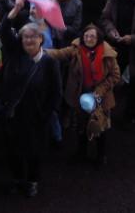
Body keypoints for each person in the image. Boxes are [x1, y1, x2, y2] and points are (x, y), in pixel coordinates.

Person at [0, 0, 62, 197]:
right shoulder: (15, 54)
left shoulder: (49, 62)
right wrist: (15, 10)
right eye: (25, 37)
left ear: (41, 39)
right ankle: (17, 179)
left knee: (35, 151)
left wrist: (45, 114)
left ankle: (32, 181)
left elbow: (56, 92)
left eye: (33, 37)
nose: (29, 40)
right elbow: (3, 30)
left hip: (36, 116)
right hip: (14, 113)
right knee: (13, 149)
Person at [45, 22, 120, 164]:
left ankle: (100, 156)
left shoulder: (108, 54)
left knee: (100, 126)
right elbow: (60, 53)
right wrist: (40, 51)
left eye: (92, 36)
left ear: (98, 38)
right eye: (86, 36)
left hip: (101, 97)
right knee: (81, 125)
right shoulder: (76, 49)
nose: (88, 39)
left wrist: (101, 90)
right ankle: (81, 153)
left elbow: (115, 76)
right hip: (80, 94)